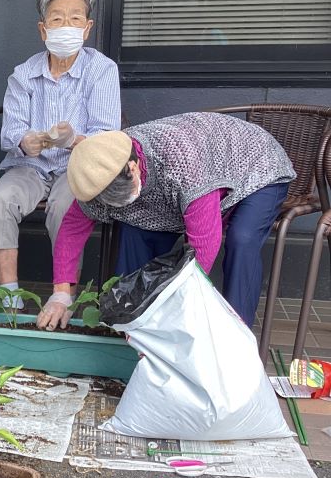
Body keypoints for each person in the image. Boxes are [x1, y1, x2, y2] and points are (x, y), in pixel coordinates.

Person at [37, 112, 295, 330]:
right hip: (187, 186)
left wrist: (179, 308)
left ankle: (236, 334)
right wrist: (61, 294)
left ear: (133, 167)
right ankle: (129, 326)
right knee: (135, 227)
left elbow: (203, 247)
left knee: (243, 238)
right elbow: (71, 230)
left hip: (255, 166)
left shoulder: (182, 163)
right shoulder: (96, 174)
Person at [0, 0, 120, 306]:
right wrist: (26, 142)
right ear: (43, 29)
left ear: (87, 28)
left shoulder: (102, 70)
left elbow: (107, 135)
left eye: (74, 19)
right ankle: (10, 298)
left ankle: (63, 296)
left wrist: (75, 139)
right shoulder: (23, 74)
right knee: (0, 198)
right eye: (57, 19)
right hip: (29, 166)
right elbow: (11, 133)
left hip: (77, 166)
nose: (65, 26)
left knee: (66, 206)